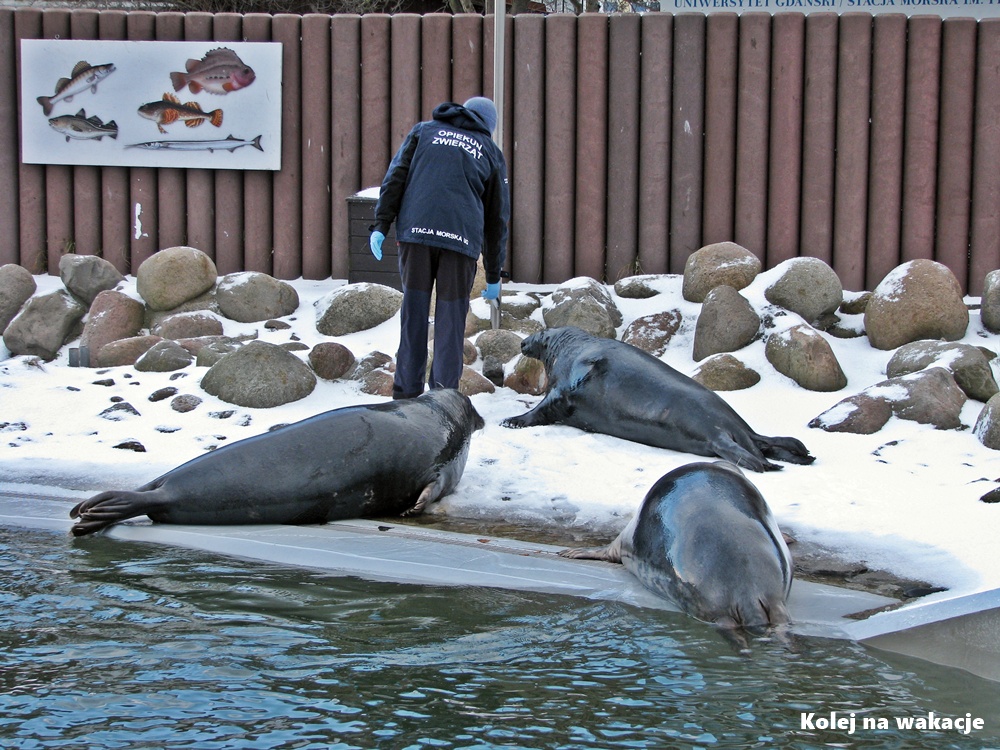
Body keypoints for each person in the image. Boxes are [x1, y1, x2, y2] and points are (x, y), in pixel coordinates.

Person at [369, 96, 510, 400]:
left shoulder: (424, 132)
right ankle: (444, 401)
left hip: (416, 234)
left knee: (414, 315)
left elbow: (396, 178)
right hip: (459, 243)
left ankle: (405, 397)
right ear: (489, 126)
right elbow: (497, 218)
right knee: (450, 325)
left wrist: (381, 224)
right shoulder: (490, 151)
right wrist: (495, 275)